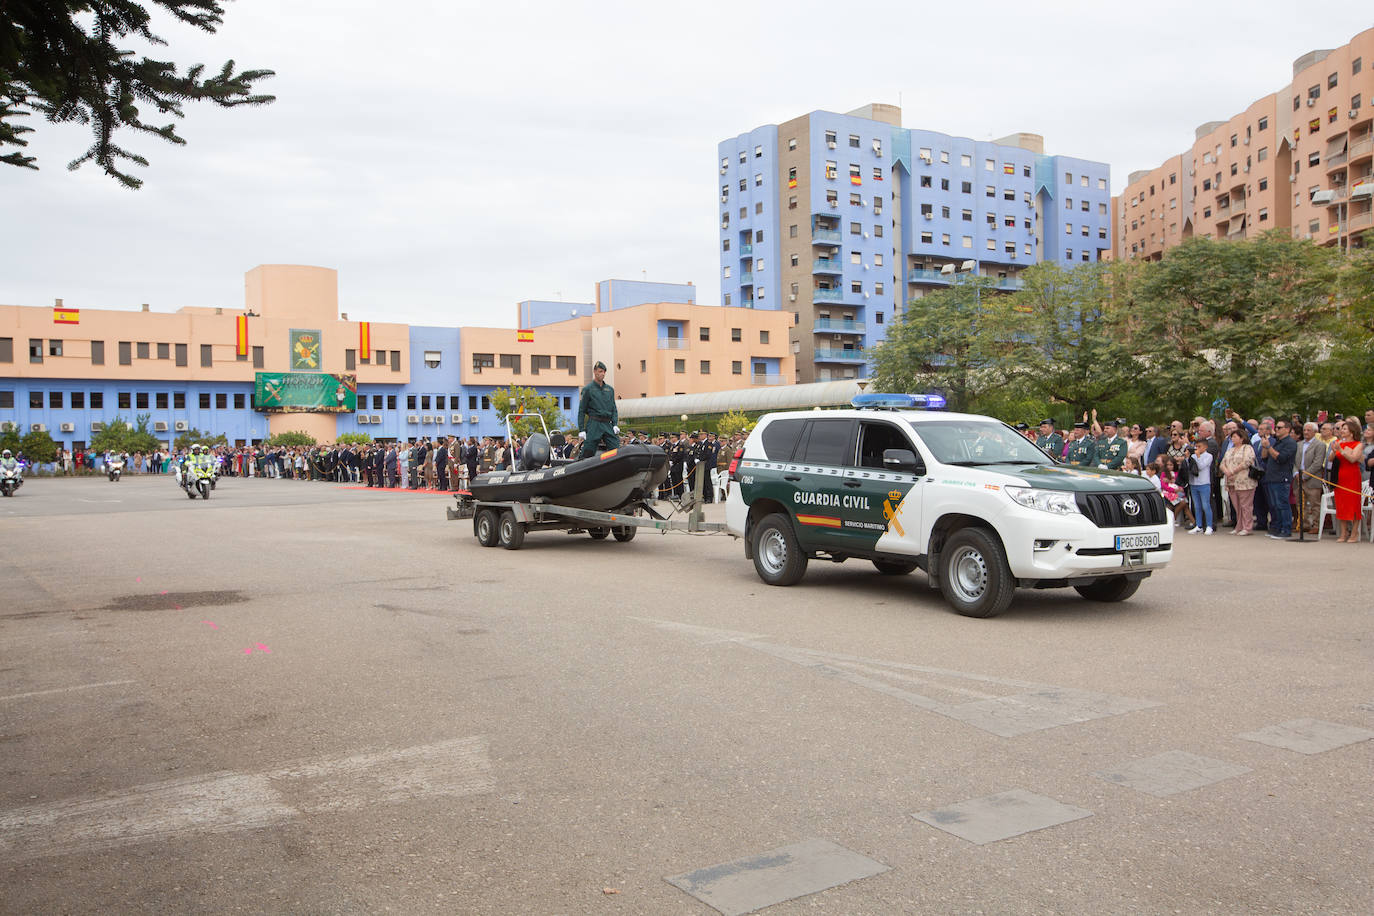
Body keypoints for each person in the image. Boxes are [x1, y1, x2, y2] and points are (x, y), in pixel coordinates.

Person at [1259, 419, 1298, 540]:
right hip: (1271, 476)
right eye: (1276, 427)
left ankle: (1286, 529)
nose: (1276, 429)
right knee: (1274, 505)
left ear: (1287, 429)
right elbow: (1264, 457)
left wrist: (1269, 447)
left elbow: (1280, 458)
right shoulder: (1276, 442)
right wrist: (1265, 446)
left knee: (1282, 504)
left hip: (1282, 477)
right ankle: (1277, 527)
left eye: (1279, 428)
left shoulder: (1290, 443)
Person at [1328, 418, 1365, 543]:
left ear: (1351, 431)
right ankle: (1343, 532)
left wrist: (1341, 450)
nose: (1341, 431)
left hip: (1352, 476)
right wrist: (1335, 450)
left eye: (1344, 429)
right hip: (1340, 476)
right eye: (1341, 429)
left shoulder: (1358, 444)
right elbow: (1330, 459)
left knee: (1353, 504)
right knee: (1341, 505)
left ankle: (1354, 532)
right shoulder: (1339, 442)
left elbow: (1353, 459)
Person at [577, 361, 618, 459]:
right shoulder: (588, 389)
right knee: (588, 449)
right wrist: (582, 429)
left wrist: (615, 424)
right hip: (594, 423)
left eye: (604, 371)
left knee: (615, 448)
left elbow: (614, 408)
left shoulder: (609, 390)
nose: (602, 374)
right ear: (595, 372)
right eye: (600, 371)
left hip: (607, 423)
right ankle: (581, 467)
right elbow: (582, 410)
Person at [1220, 429, 1257, 536]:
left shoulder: (1247, 448)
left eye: (1235, 437)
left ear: (1242, 438)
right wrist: (1226, 471)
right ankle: (1239, 526)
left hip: (1244, 481)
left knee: (1246, 506)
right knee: (1237, 505)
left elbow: (1247, 461)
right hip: (1231, 482)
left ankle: (1247, 527)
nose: (1233, 439)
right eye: (1232, 437)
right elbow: (1223, 462)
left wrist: (1233, 471)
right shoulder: (1230, 450)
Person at [1187, 439, 1214, 534]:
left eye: (1200, 447)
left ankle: (1209, 526)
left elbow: (1201, 466)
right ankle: (1199, 525)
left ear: (1205, 447)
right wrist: (1187, 458)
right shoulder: (1193, 456)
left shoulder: (1209, 456)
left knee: (1206, 505)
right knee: (1197, 506)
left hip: (1204, 483)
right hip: (1193, 483)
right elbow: (1188, 467)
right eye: (1196, 446)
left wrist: (1198, 457)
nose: (1197, 449)